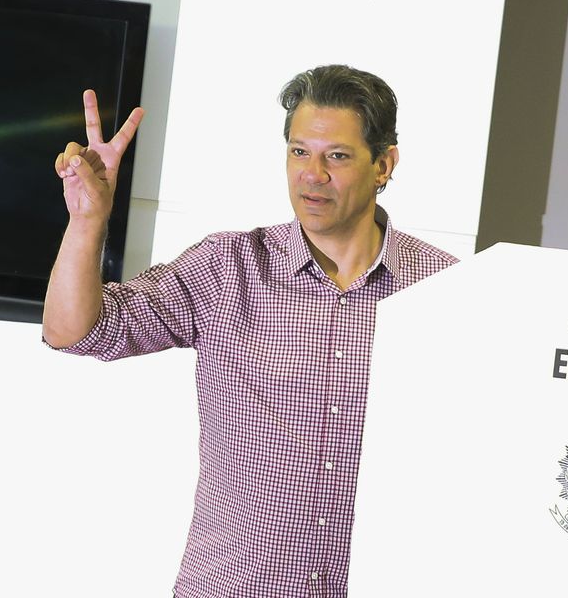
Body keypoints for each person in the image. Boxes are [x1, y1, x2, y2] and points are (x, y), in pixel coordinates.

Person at [42, 64, 458, 597]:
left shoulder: (446, 291)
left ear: (384, 164)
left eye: (337, 155)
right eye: (299, 151)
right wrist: (87, 220)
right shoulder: (229, 267)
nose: (312, 174)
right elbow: (75, 331)